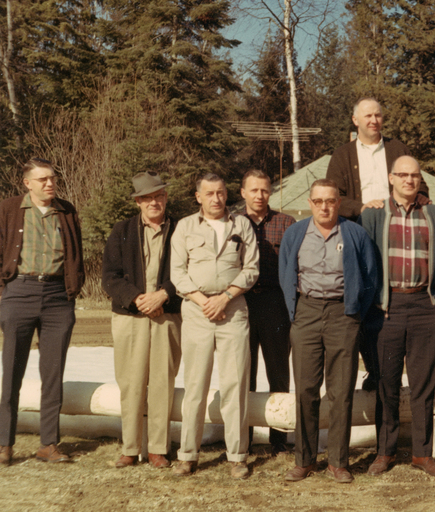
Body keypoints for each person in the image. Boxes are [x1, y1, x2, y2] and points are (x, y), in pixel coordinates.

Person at [360, 155, 435, 477]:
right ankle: (385, 452)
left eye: (414, 175)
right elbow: (361, 259)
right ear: (391, 178)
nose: (408, 180)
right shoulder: (374, 214)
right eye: (402, 175)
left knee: (423, 385)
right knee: (386, 384)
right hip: (387, 308)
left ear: (420, 179)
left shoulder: (433, 214)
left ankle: (421, 454)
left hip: (424, 307)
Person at [278, 179, 378, 483]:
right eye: (318, 200)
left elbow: (371, 277)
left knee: (340, 391)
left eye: (331, 201)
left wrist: (353, 312)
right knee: (306, 389)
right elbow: (285, 273)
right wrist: (296, 312)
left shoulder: (355, 233)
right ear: (310, 203)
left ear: (338, 202)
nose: (324, 206)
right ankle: (305, 459)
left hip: (342, 315)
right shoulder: (295, 233)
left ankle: (338, 461)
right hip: (306, 314)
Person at [326, 97, 428, 392]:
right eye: (368, 116)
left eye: (379, 115)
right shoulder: (343, 154)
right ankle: (372, 368)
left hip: (398, 237)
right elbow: (334, 196)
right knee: (362, 303)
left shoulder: (398, 150)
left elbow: (421, 187)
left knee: (391, 303)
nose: (374, 120)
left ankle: (391, 371)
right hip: (359, 234)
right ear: (355, 120)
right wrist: (361, 207)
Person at [170, 173, 259, 480]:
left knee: (235, 384)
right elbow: (178, 273)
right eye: (209, 193)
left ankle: (237, 455)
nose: (216, 199)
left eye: (220, 193)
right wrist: (201, 300)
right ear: (198, 197)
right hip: (197, 312)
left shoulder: (242, 225)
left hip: (233, 310)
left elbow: (251, 268)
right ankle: (188, 455)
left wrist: (225, 297)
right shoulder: (185, 227)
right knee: (196, 384)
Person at [0, 158, 85, 466]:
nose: (50, 184)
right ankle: (4, 443)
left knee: (53, 374)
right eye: (43, 180)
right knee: (11, 371)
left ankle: (48, 443)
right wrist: (4, 292)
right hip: (18, 292)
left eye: (52, 178)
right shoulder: (8, 209)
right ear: (27, 183)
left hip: (57, 297)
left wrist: (72, 289)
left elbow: (76, 252)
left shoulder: (67, 210)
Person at [102, 171, 182, 469]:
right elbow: (110, 277)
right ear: (137, 201)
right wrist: (138, 299)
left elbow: (188, 271)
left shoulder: (181, 230)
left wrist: (163, 295)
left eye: (159, 196)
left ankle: (158, 448)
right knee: (131, 382)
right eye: (147, 197)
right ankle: (130, 446)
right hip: (130, 316)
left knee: (163, 381)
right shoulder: (121, 231)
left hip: (168, 314)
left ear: (165, 197)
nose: (154, 202)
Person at [240, 169, 294, 454]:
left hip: (275, 304)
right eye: (254, 190)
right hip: (243, 304)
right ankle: (243, 438)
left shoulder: (286, 223)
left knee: (278, 373)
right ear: (243, 193)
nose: (259, 195)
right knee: (243, 372)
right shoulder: (232, 224)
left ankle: (279, 438)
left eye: (264, 190)